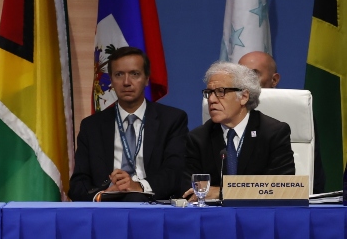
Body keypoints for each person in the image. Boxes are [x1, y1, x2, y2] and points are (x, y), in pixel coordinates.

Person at [68, 46, 189, 200]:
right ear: (111, 80)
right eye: (119, 75)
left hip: (152, 204)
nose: (126, 82)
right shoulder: (92, 126)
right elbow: (78, 183)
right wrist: (102, 195)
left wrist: (139, 186)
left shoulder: (172, 120)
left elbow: (175, 172)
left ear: (146, 79)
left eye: (135, 74)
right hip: (108, 206)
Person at [185, 61, 294, 200]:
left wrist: (222, 193)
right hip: (215, 218)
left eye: (220, 92)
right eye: (209, 92)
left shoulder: (273, 133)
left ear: (244, 97)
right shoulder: (199, 138)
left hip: (260, 217)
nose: (211, 99)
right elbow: (188, 188)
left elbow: (283, 186)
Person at [238, 50, 323, 192]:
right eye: (239, 75)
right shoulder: (227, 114)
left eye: (253, 74)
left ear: (274, 80)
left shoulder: (297, 112)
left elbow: (316, 176)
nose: (244, 82)